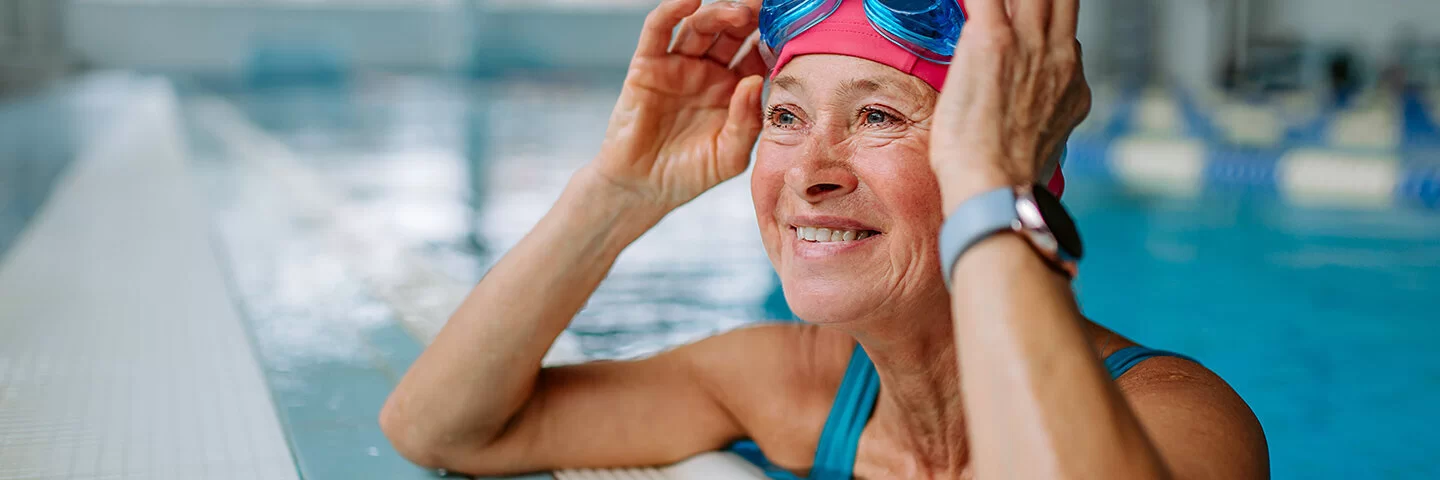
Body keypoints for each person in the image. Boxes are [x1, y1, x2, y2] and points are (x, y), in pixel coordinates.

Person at [379, 0, 1269, 478]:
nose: (813, 170)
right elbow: (445, 429)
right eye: (786, 117)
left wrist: (990, 191)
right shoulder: (795, 386)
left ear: (1005, 160)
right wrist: (620, 192)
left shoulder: (1178, 420)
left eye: (879, 116)